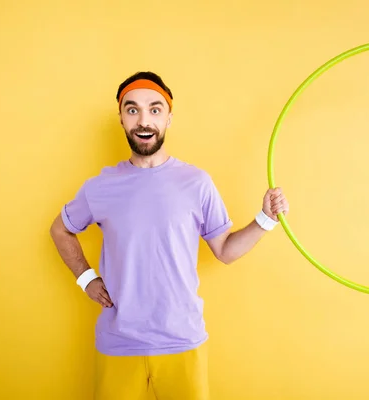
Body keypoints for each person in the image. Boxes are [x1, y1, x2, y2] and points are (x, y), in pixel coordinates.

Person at [49, 71, 289, 400]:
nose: (144, 120)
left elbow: (225, 250)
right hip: (118, 344)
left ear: (169, 118)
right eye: (132, 110)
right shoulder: (100, 187)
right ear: (121, 118)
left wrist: (265, 219)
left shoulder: (196, 182)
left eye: (155, 109)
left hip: (182, 342)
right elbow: (60, 229)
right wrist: (86, 278)